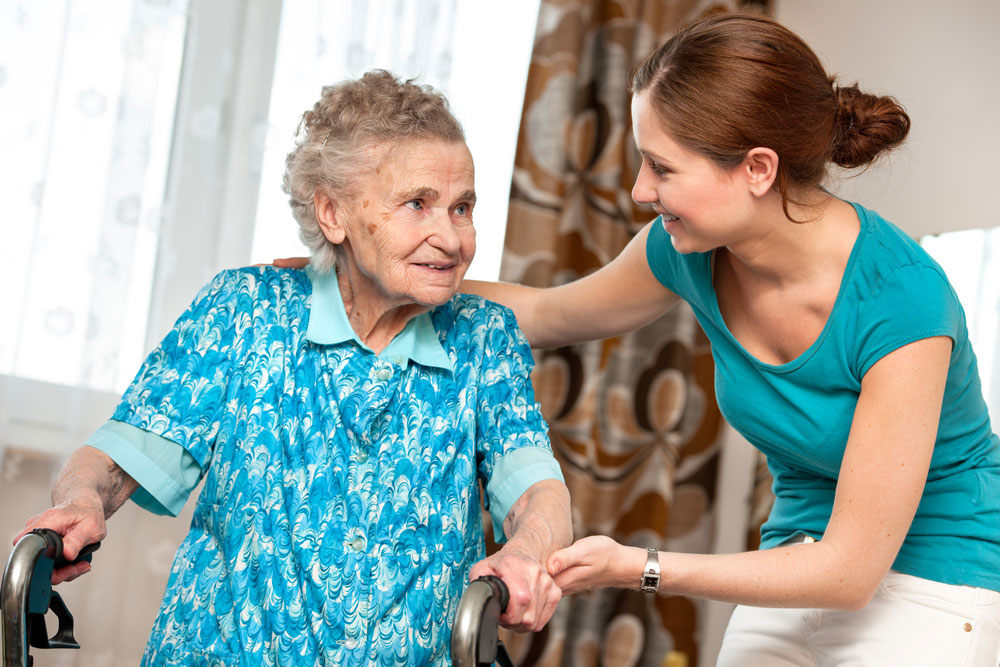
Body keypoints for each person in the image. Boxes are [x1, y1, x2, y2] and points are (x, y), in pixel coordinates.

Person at [459, 12, 1000, 666]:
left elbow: (851, 573)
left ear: (757, 169)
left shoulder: (902, 299)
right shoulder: (689, 251)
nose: (639, 190)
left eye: (661, 166)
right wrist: (379, 276)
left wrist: (638, 565)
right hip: (797, 561)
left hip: (934, 582)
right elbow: (544, 314)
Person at [16, 70, 571, 666]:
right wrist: (82, 501)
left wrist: (527, 552)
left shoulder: (484, 339)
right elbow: (115, 459)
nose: (451, 237)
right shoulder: (243, 311)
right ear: (333, 214)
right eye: (418, 204)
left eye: (462, 208)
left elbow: (537, 491)